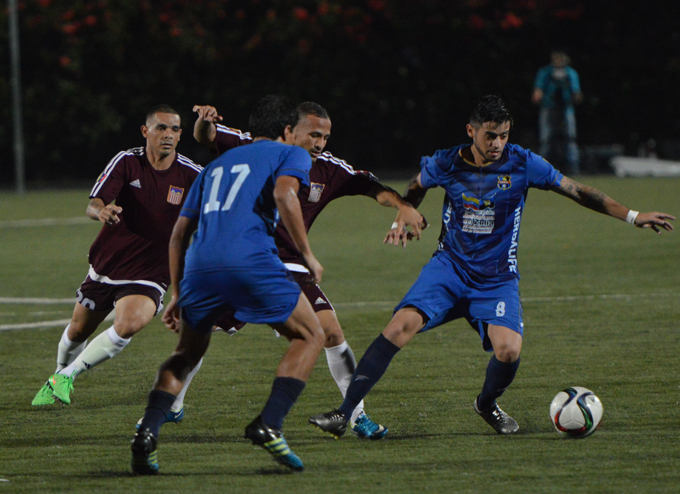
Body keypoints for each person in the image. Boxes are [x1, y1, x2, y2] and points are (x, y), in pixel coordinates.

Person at [309, 94, 675, 438]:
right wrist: (403, 216)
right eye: (490, 135)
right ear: (471, 131)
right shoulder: (447, 162)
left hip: (496, 279)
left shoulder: (523, 162)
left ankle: (486, 404)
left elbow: (577, 190)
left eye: (503, 135)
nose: (497, 143)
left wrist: (633, 216)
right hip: (448, 269)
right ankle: (346, 411)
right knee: (398, 328)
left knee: (509, 351)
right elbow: (415, 185)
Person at [176, 101, 426, 439]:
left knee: (332, 333)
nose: (320, 143)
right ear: (290, 131)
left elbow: (370, 186)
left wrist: (403, 205)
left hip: (288, 266)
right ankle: (171, 405)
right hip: (243, 258)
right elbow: (208, 136)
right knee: (198, 332)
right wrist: (204, 122)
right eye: (314, 134)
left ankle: (354, 415)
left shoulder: (327, 168)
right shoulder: (257, 149)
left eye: (325, 136)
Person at [131, 95, 325, 474]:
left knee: (186, 354)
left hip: (200, 267)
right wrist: (307, 254)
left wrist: (176, 292)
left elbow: (178, 235)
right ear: (288, 131)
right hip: (250, 260)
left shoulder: (213, 165)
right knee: (311, 335)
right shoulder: (292, 154)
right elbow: (285, 194)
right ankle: (270, 422)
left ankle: (148, 431)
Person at [31, 105, 202, 409]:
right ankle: (58, 377)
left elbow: (223, 199)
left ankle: (68, 375)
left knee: (129, 324)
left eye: (175, 129)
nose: (169, 135)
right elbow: (93, 203)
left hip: (152, 271)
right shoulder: (127, 161)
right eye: (161, 128)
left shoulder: (191, 173)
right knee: (78, 331)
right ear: (145, 131)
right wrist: (102, 211)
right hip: (108, 264)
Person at [532, 50, 583, 174]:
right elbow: (537, 92)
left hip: (566, 108)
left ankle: (573, 167)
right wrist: (539, 94)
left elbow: (576, 93)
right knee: (546, 139)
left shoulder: (570, 73)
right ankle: (543, 167)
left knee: (570, 138)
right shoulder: (545, 72)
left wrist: (575, 95)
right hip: (549, 108)